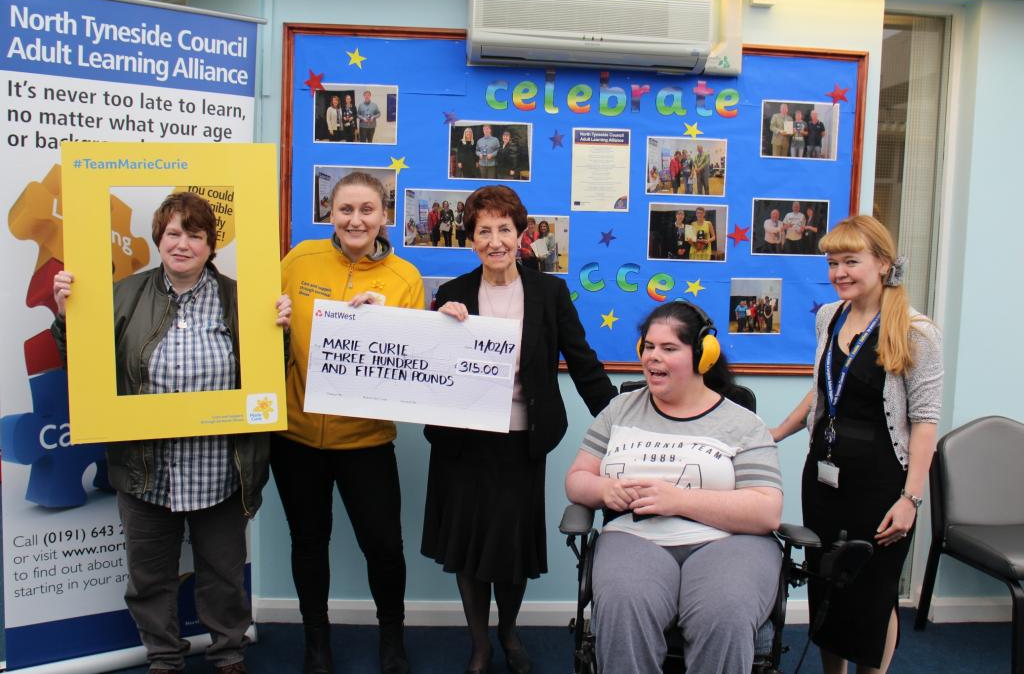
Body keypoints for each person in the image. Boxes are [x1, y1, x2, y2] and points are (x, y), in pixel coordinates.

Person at [51, 192, 291, 674]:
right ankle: (163, 658)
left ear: (211, 245)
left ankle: (228, 653)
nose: (183, 244)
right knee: (149, 577)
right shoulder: (122, 295)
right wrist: (67, 318)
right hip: (145, 469)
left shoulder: (241, 299)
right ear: (158, 239)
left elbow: (268, 379)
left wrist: (277, 334)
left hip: (219, 469)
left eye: (195, 235)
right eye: (173, 233)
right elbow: (84, 367)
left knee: (223, 574)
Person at [421, 185, 616, 674]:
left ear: (521, 235)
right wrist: (438, 326)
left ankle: (508, 631)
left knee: (510, 548)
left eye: (504, 229)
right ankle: (479, 645)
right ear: (471, 240)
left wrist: (622, 422)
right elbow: (426, 366)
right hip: (463, 443)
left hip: (522, 440)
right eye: (483, 231)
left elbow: (583, 361)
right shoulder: (452, 294)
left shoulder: (550, 292)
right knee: (468, 547)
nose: (495, 241)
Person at [565, 301, 783, 674]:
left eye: (669, 348)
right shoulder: (619, 411)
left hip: (729, 542)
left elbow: (766, 510)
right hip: (634, 537)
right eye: (649, 346)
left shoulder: (744, 424)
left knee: (724, 607)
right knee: (625, 601)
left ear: (703, 356)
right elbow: (577, 479)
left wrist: (679, 500)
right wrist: (603, 491)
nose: (654, 357)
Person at [769, 215, 943, 674]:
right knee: (827, 585)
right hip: (824, 479)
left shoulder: (916, 331)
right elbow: (822, 391)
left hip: (881, 486)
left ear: (883, 263)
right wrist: (776, 433)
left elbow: (925, 423)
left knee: (872, 595)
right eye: (832, 263)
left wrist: (910, 499)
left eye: (850, 261)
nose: (839, 272)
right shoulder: (830, 316)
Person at [275, 172, 424, 674]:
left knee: (383, 547)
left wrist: (384, 325)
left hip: (366, 440)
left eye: (366, 210)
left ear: (384, 216)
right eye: (345, 209)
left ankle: (393, 640)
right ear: (330, 213)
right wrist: (274, 320)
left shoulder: (404, 277)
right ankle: (316, 642)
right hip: (295, 437)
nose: (355, 220)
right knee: (308, 542)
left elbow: (412, 364)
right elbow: (263, 330)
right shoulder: (299, 259)